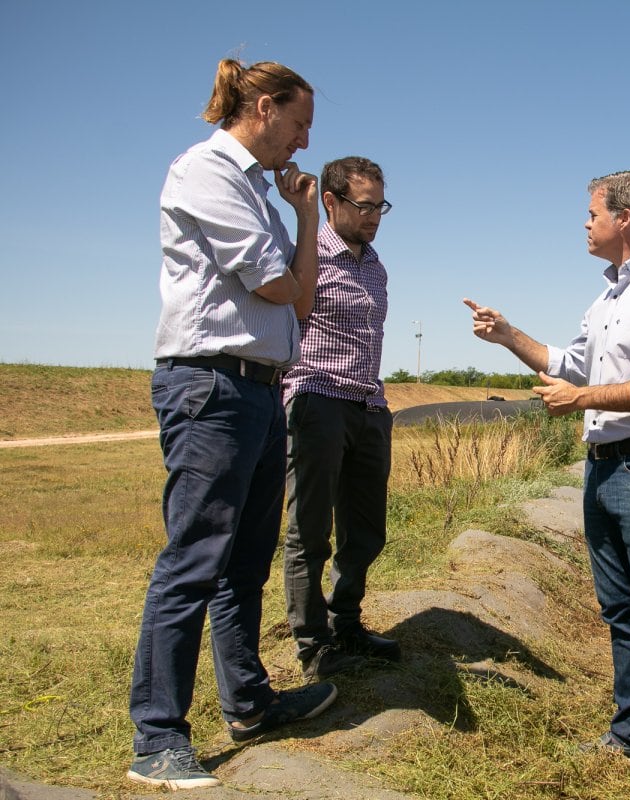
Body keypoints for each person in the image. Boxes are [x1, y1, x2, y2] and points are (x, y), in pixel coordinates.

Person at [463, 170, 630, 799]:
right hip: (604, 467)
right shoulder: (604, 299)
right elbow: (571, 363)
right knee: (621, 609)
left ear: (625, 217)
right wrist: (507, 333)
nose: (585, 222)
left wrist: (582, 400)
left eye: (592, 211)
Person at [128, 59, 337, 791]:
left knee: (244, 565)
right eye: (300, 123)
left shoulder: (260, 190)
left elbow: (302, 302)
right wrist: (299, 257)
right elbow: (283, 285)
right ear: (262, 105)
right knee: (193, 561)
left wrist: (309, 217)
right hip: (210, 387)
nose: (303, 143)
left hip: (257, 388)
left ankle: (247, 703)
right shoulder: (206, 171)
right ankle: (156, 738)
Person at [281, 156, 399, 680]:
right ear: (331, 202)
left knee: (367, 529)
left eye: (381, 206)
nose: (374, 216)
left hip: (369, 407)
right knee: (309, 532)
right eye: (364, 205)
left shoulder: (376, 265)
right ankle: (313, 645)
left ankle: (345, 621)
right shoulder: (307, 256)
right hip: (318, 400)